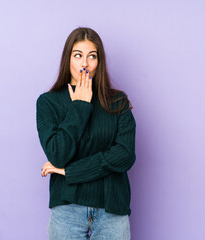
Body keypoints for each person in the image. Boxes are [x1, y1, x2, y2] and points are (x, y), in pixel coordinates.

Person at [36, 27, 136, 240]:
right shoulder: (48, 102)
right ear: (68, 59)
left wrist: (71, 172)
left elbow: (125, 156)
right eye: (78, 55)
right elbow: (58, 155)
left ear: (99, 62)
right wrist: (80, 105)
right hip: (67, 210)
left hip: (112, 210)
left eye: (92, 56)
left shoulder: (118, 102)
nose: (85, 64)